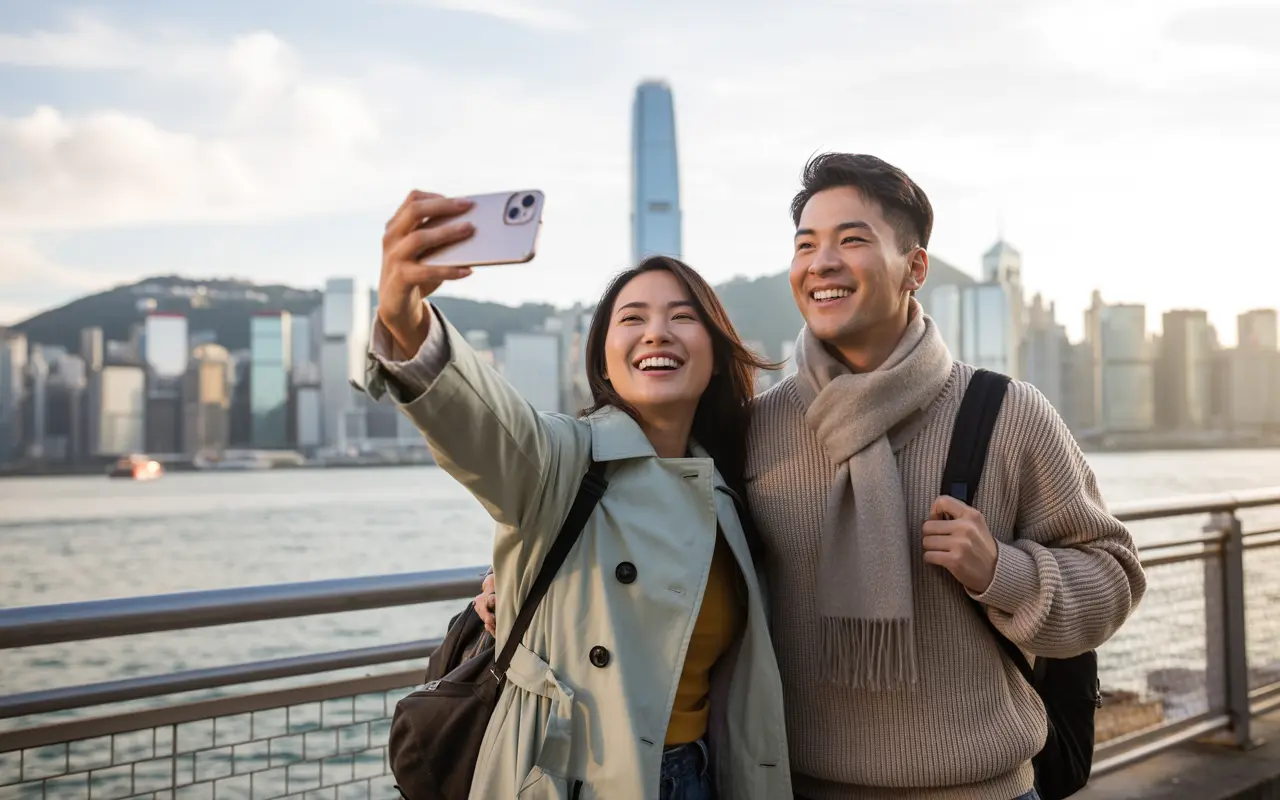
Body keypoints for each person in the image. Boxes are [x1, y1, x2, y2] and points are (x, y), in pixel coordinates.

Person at [479, 155, 1148, 799]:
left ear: (915, 267)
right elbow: (661, 539)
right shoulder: (757, 427)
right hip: (792, 787)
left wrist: (1003, 570)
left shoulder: (1005, 414)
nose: (821, 262)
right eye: (806, 244)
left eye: (851, 239)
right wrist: (536, 589)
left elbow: (1113, 574)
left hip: (981, 790)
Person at [364, 190, 793, 800]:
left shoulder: (729, 489)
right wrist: (408, 323)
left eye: (682, 316)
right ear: (604, 359)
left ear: (718, 353)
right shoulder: (564, 459)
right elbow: (485, 426)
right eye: (632, 318)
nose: (657, 333)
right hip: (572, 780)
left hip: (702, 776)